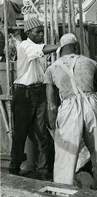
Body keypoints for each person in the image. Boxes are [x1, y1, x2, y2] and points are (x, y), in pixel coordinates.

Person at [44, 33, 97, 191]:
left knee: (66, 155)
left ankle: (63, 190)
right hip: (93, 104)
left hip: (68, 107)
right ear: (76, 47)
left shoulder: (52, 68)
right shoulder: (91, 62)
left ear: (60, 49)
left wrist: (54, 128)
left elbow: (51, 105)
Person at [9, 17, 59, 179]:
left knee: (42, 134)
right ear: (28, 33)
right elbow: (43, 49)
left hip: (39, 91)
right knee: (21, 134)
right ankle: (14, 169)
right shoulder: (25, 46)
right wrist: (62, 46)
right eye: (38, 32)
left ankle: (43, 171)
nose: (41, 35)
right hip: (24, 93)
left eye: (42, 32)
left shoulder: (35, 47)